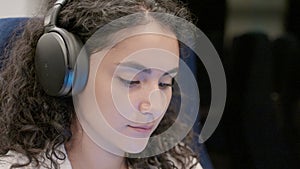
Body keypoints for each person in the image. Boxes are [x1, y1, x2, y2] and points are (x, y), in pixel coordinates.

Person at [0, 0, 203, 168]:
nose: (154, 107)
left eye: (165, 83)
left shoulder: (179, 164)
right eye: (132, 81)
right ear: (68, 72)